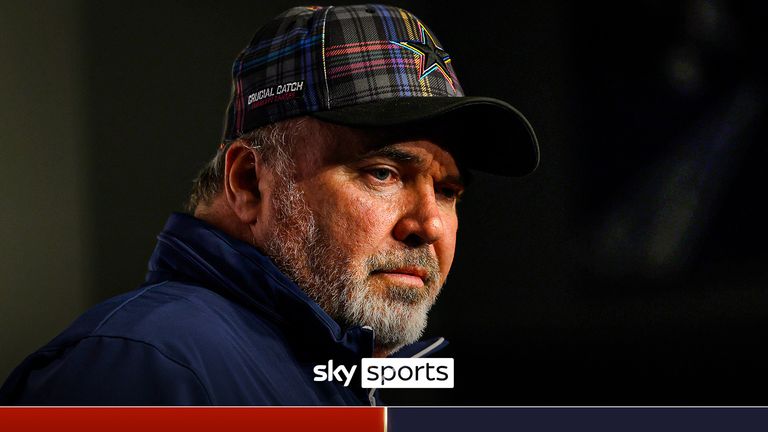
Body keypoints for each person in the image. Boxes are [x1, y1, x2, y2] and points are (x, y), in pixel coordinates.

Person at [0, 4, 538, 405]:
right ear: (249, 182)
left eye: (447, 191)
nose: (428, 224)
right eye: (383, 173)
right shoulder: (138, 368)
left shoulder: (357, 373)